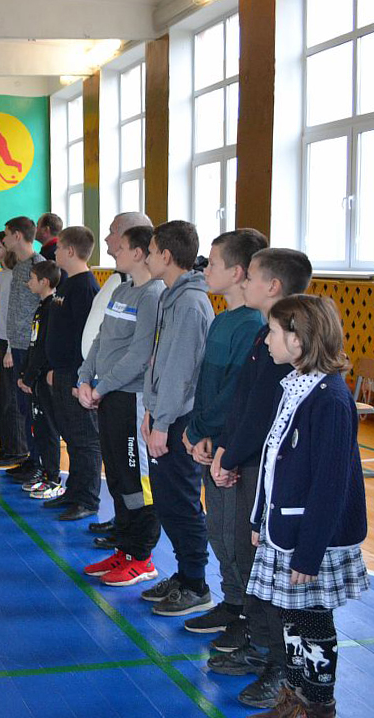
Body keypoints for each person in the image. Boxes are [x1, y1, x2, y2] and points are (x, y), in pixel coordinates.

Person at [242, 295, 368, 718]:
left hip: (312, 540)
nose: (267, 339)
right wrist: (259, 519)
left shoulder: (330, 399)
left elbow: (330, 486)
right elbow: (273, 462)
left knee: (312, 621)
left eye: (275, 332)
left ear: (299, 338)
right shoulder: (296, 385)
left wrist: (309, 553)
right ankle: (295, 702)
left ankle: (316, 714)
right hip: (287, 531)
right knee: (293, 619)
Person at [207, 248, 313, 708]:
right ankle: (262, 645)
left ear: (273, 286)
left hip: (262, 469)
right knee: (254, 563)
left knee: (271, 573)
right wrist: (227, 447)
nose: (244, 282)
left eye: (250, 276)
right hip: (249, 462)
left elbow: (262, 416)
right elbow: (244, 403)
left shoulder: (286, 348)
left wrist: (232, 454)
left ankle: (280, 665)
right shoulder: (265, 337)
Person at [180, 230, 267, 635]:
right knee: (218, 529)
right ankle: (232, 602)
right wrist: (196, 431)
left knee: (234, 534)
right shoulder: (224, 319)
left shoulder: (251, 325)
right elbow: (206, 385)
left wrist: (206, 432)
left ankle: (247, 614)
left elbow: (234, 393)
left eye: (212, 263)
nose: (205, 269)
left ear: (237, 272)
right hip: (208, 442)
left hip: (227, 447)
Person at [77, 225, 165, 586]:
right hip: (109, 397)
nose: (114, 251)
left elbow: (139, 355)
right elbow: (101, 338)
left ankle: (142, 557)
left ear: (139, 253)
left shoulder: (153, 295)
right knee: (115, 477)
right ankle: (125, 550)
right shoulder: (122, 290)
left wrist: (100, 387)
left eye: (121, 246)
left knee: (135, 481)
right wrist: (85, 377)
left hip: (131, 400)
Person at [139, 220, 215, 616]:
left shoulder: (189, 304)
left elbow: (181, 372)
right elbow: (159, 362)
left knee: (182, 501)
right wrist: (151, 410)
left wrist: (164, 421)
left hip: (179, 420)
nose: (147, 258)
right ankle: (184, 575)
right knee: (167, 501)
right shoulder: (172, 297)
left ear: (167, 256)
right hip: (164, 414)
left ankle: (196, 582)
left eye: (151, 252)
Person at [40, 226, 101, 522]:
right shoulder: (67, 283)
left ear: (71, 251)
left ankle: (87, 498)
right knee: (72, 436)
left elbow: (86, 339)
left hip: (75, 375)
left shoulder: (85, 287)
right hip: (62, 372)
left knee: (84, 437)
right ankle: (74, 491)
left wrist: (81, 379)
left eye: (60, 246)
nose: (55, 251)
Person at [0, 217, 46, 477]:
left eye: (6, 234)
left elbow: (42, 309)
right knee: (23, 406)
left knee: (34, 407)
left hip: (30, 346)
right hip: (17, 345)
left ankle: (40, 463)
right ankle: (31, 456)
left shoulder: (38, 265)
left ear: (17, 236)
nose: (4, 239)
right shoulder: (19, 267)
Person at [17, 259, 62, 499]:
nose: (28, 283)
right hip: (35, 377)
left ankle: (53, 478)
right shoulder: (41, 307)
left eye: (32, 279)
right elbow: (33, 344)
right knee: (40, 428)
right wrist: (25, 372)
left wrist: (32, 375)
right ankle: (45, 473)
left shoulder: (53, 307)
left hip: (44, 378)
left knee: (49, 428)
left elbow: (45, 346)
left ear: (44, 282)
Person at [0, 230, 20, 467]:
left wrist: (10, 347)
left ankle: (17, 449)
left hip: (9, 344)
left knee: (10, 399)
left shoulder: (15, 277)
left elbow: (15, 315)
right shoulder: (1, 276)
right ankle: (6, 447)